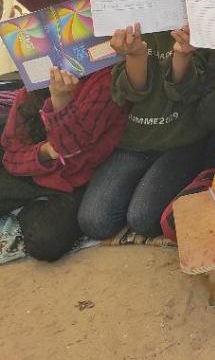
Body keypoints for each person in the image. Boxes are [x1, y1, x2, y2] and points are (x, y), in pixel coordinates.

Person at [77, 0, 210, 240]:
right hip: (134, 142)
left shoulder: (192, 23)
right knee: (94, 221)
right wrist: (135, 56)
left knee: (144, 218)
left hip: (183, 140)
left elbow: (188, 90)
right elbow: (128, 93)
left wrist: (182, 55)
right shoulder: (117, 26)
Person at [0, 68, 125, 259]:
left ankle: (29, 207)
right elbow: (11, 152)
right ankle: (29, 202)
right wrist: (43, 152)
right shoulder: (33, 85)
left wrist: (59, 101)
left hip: (74, 183)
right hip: (32, 170)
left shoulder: (104, 81)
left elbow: (70, 147)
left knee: (47, 241)